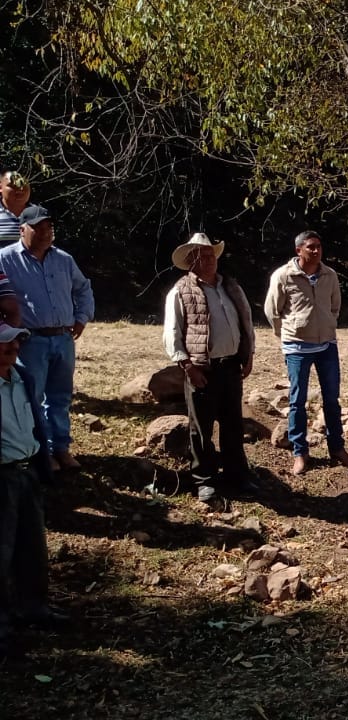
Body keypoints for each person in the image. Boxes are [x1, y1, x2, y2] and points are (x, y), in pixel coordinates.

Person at [162, 233, 257, 504]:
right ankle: (204, 481)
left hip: (231, 366)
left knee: (232, 425)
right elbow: (173, 331)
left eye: (210, 255)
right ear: (191, 261)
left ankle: (237, 476)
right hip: (202, 369)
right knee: (200, 428)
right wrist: (187, 366)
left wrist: (248, 354)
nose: (208, 260)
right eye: (201, 256)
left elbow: (245, 321)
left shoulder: (231, 287)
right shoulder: (180, 291)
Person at [0, 204, 95, 471]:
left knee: (61, 396)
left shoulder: (63, 259)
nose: (45, 233)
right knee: (32, 396)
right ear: (22, 229)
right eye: (38, 228)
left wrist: (82, 317)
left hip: (63, 338)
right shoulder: (5, 259)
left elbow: (83, 288)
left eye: (48, 227)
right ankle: (41, 452)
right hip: (30, 341)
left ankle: (61, 448)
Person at [264, 230, 348, 475]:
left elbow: (335, 306)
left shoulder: (330, 275)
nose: (315, 251)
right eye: (310, 247)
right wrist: (288, 334)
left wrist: (327, 324)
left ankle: (337, 448)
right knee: (297, 401)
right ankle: (300, 452)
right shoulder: (284, 276)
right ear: (299, 251)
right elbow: (272, 311)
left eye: (318, 246)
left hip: (326, 345)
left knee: (331, 399)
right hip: (297, 347)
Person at [0, 322, 62, 654]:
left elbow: (36, 423)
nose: (13, 350)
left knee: (32, 546)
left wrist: (42, 466)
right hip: (2, 476)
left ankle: (34, 608)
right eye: (5, 344)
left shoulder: (22, 379)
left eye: (16, 344)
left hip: (26, 473)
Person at [0, 171, 32, 246]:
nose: (20, 190)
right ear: (1, 187)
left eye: (23, 185)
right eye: (13, 186)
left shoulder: (39, 214)